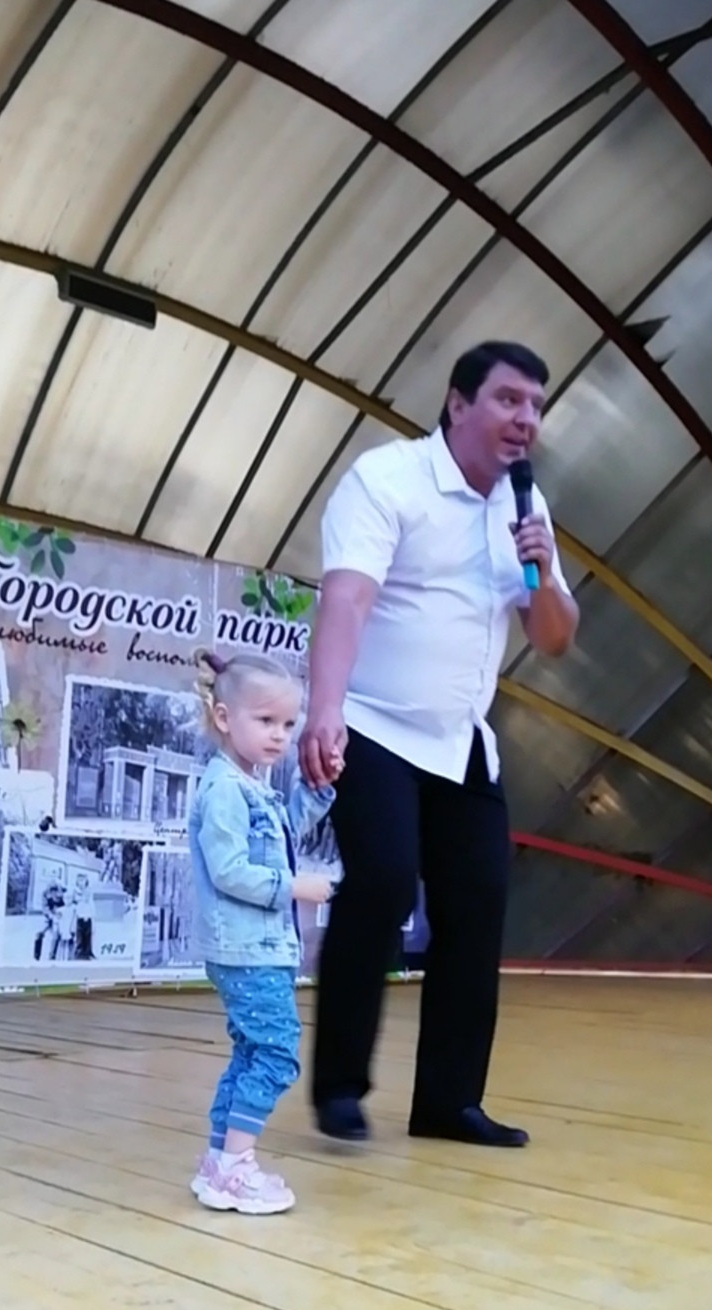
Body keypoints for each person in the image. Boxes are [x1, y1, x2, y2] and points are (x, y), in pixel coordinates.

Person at [300, 340, 579, 1148]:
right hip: (375, 724)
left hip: (462, 742)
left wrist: (542, 567)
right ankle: (340, 1088)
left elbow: (554, 636)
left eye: (535, 405)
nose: (525, 419)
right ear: (458, 404)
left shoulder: (525, 506)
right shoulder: (387, 480)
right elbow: (347, 599)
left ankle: (449, 1104)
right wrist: (324, 710)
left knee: (478, 906)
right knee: (384, 881)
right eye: (508, 399)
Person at [188, 650, 341, 1214]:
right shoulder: (225, 790)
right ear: (224, 718)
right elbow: (229, 871)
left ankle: (219, 1162)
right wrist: (296, 887)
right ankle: (236, 1164)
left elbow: (284, 831)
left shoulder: (252, 785)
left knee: (252, 1052)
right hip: (247, 948)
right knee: (277, 1054)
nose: (280, 735)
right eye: (266, 721)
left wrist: (319, 791)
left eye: (288, 723)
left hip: (257, 946)